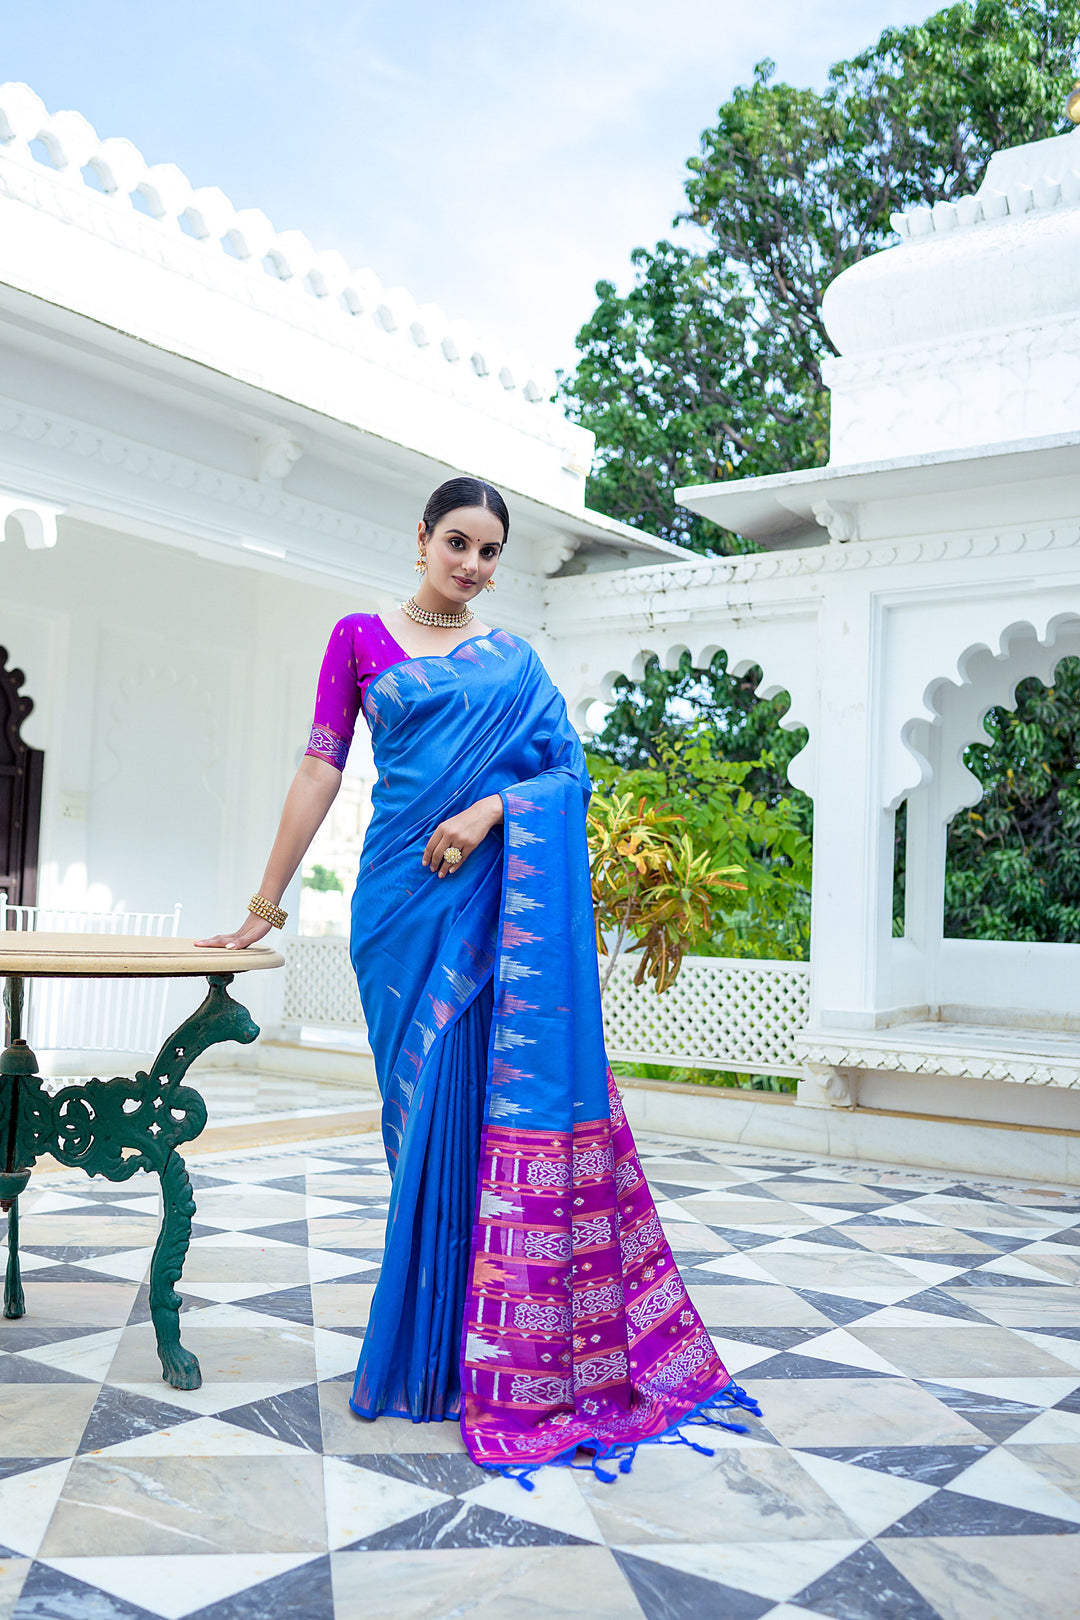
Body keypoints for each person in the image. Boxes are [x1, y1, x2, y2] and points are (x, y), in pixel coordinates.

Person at [197, 475, 759, 1483]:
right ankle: (432, 1354)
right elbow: (320, 769)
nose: (471, 566)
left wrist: (491, 812)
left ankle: (480, 1360)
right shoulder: (359, 639)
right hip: (398, 911)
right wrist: (266, 903)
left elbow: (567, 774)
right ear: (420, 537)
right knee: (416, 1127)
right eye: (457, 542)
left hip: (486, 908)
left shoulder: (514, 663)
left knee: (475, 1122)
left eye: (489, 553)